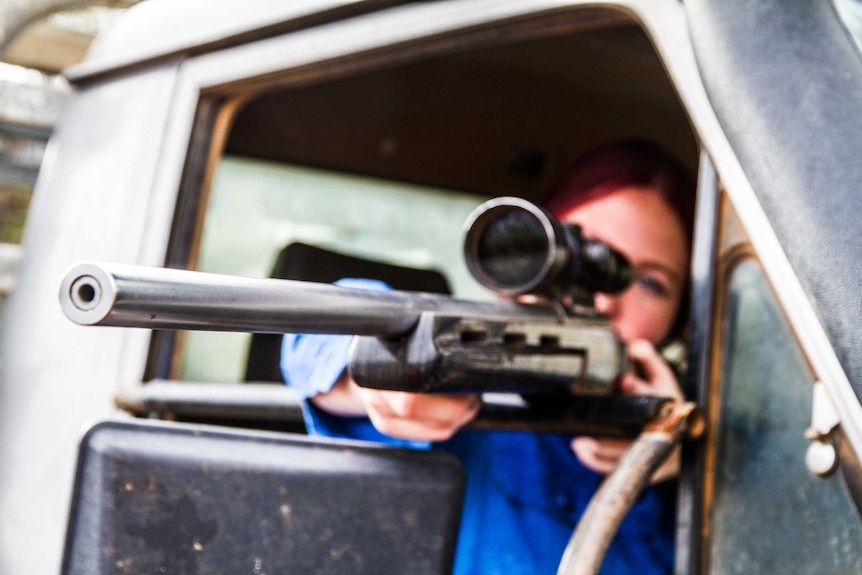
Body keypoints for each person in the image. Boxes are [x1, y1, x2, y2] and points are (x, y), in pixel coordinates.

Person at [281, 139, 695, 575]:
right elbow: (332, 324)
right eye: (578, 252)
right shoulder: (471, 398)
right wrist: (384, 372)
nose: (606, 302)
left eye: (650, 284)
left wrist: (671, 445)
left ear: (680, 323)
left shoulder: (706, 452)